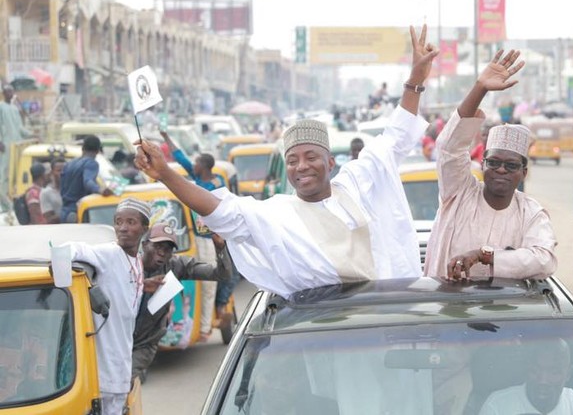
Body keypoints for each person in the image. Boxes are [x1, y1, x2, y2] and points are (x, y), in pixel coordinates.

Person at [134, 25, 439, 298]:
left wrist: (415, 80)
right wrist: (165, 173)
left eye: (310, 157)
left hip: (381, 314)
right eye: (292, 160)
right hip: (321, 329)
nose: (301, 166)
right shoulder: (277, 215)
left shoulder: (355, 183)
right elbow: (220, 209)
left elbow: (395, 137)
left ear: (330, 162)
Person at [423, 49, 557, 281]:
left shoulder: (531, 213)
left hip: (502, 305)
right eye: (494, 162)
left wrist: (484, 255)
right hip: (444, 302)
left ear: (523, 173)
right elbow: (449, 148)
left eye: (511, 165)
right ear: (483, 164)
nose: (501, 169)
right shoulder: (459, 193)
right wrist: (480, 88)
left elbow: (544, 260)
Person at [66, 198, 151, 415]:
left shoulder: (137, 260)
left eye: (131, 222)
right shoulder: (110, 253)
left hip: (122, 361)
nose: (123, 228)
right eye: (118, 222)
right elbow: (74, 249)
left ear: (144, 228)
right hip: (105, 367)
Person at [132, 223, 233, 383]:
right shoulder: (128, 265)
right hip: (118, 339)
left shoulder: (176, 265)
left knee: (121, 382)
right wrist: (141, 285)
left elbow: (220, 275)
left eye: (167, 249)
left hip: (145, 344)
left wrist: (221, 248)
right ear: (144, 245)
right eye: (157, 246)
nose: (162, 253)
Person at [160, 130, 223, 340]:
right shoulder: (196, 178)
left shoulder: (216, 185)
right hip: (194, 238)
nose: (192, 165)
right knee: (191, 283)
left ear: (203, 167)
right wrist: (166, 137)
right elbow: (180, 158)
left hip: (210, 239)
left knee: (209, 284)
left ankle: (204, 328)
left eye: (196, 163)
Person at [479, 339, 573, 415]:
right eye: (535, 370)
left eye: (554, 372)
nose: (543, 380)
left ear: (568, 374)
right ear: (526, 369)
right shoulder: (498, 406)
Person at [60, 134, 113, 223]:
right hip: (78, 211)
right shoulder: (91, 163)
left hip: (65, 211)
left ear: (82, 148)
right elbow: (88, 181)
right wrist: (101, 190)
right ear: (98, 151)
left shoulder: (69, 164)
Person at [0, 85, 34, 197]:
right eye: (7, 92)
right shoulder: (1, 107)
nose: (10, 94)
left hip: (17, 143)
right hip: (6, 144)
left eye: (11, 92)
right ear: (3, 93)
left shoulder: (15, 109)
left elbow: (20, 128)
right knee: (5, 170)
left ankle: (12, 193)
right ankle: (2, 196)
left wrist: (32, 134)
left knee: (16, 170)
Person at [40, 157, 65, 223]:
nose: (62, 173)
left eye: (64, 170)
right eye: (59, 170)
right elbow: (49, 219)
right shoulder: (46, 193)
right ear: (52, 172)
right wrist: (67, 214)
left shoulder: (71, 191)